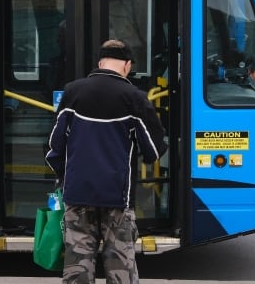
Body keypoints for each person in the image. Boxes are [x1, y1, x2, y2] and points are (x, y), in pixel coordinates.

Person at [45, 39, 168, 284]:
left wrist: (65, 177)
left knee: (77, 270)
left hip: (77, 194)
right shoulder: (135, 98)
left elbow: (54, 148)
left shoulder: (72, 92)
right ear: (127, 66)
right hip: (117, 199)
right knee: (120, 270)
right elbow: (154, 150)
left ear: (100, 62)